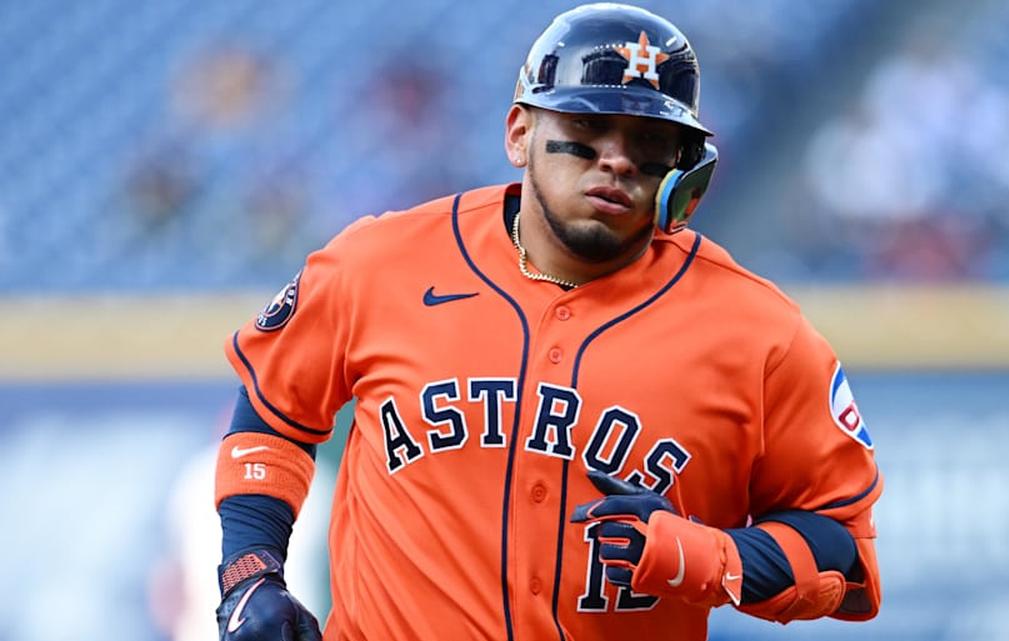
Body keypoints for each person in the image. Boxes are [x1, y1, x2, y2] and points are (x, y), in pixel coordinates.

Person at [212, 4, 883, 640]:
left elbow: (841, 547)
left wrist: (705, 556)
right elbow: (274, 411)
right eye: (588, 129)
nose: (617, 159)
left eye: (650, 140)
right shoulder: (380, 262)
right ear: (519, 133)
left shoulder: (758, 331)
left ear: (684, 169)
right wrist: (250, 571)